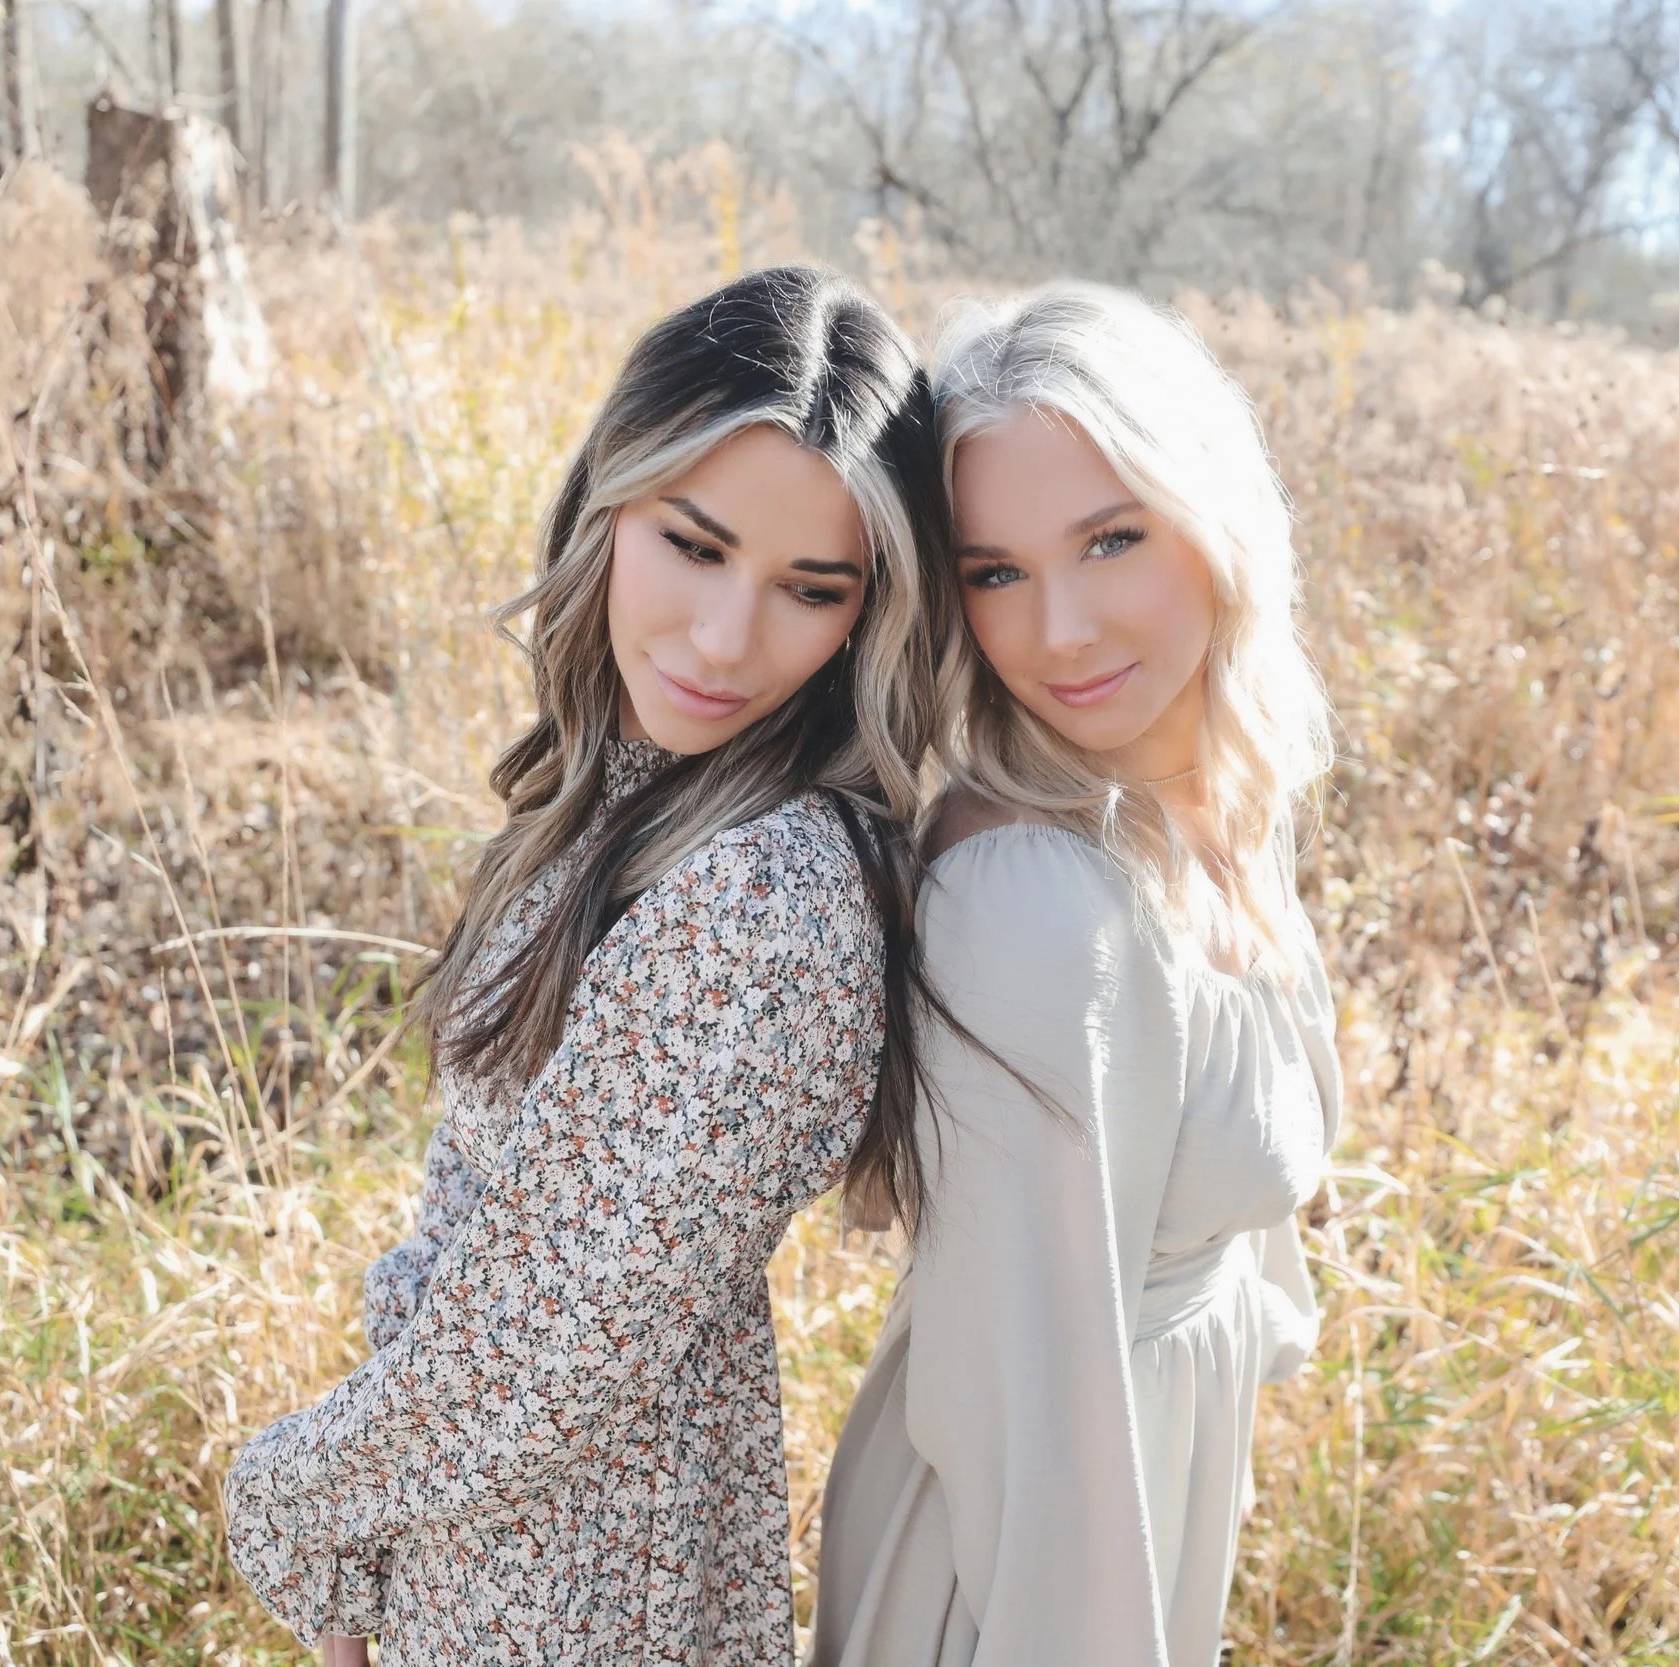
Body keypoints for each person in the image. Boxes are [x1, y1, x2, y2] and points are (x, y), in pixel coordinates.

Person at [222, 265, 960, 1667]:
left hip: (583, 1597)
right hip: (476, 1555)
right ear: (611, 495)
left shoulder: (764, 897)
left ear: (870, 618)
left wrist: (284, 1505)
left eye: (812, 591)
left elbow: (524, 1368)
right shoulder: (622, 789)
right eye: (693, 545)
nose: (726, 641)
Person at [812, 283, 1343, 1667]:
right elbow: (1031, 1426)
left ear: (1214, 517)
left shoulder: (1204, 802)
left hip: (1138, 1530)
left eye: (1112, 539)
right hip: (1022, 1598)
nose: (1062, 633)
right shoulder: (1034, 904)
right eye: (996, 571)